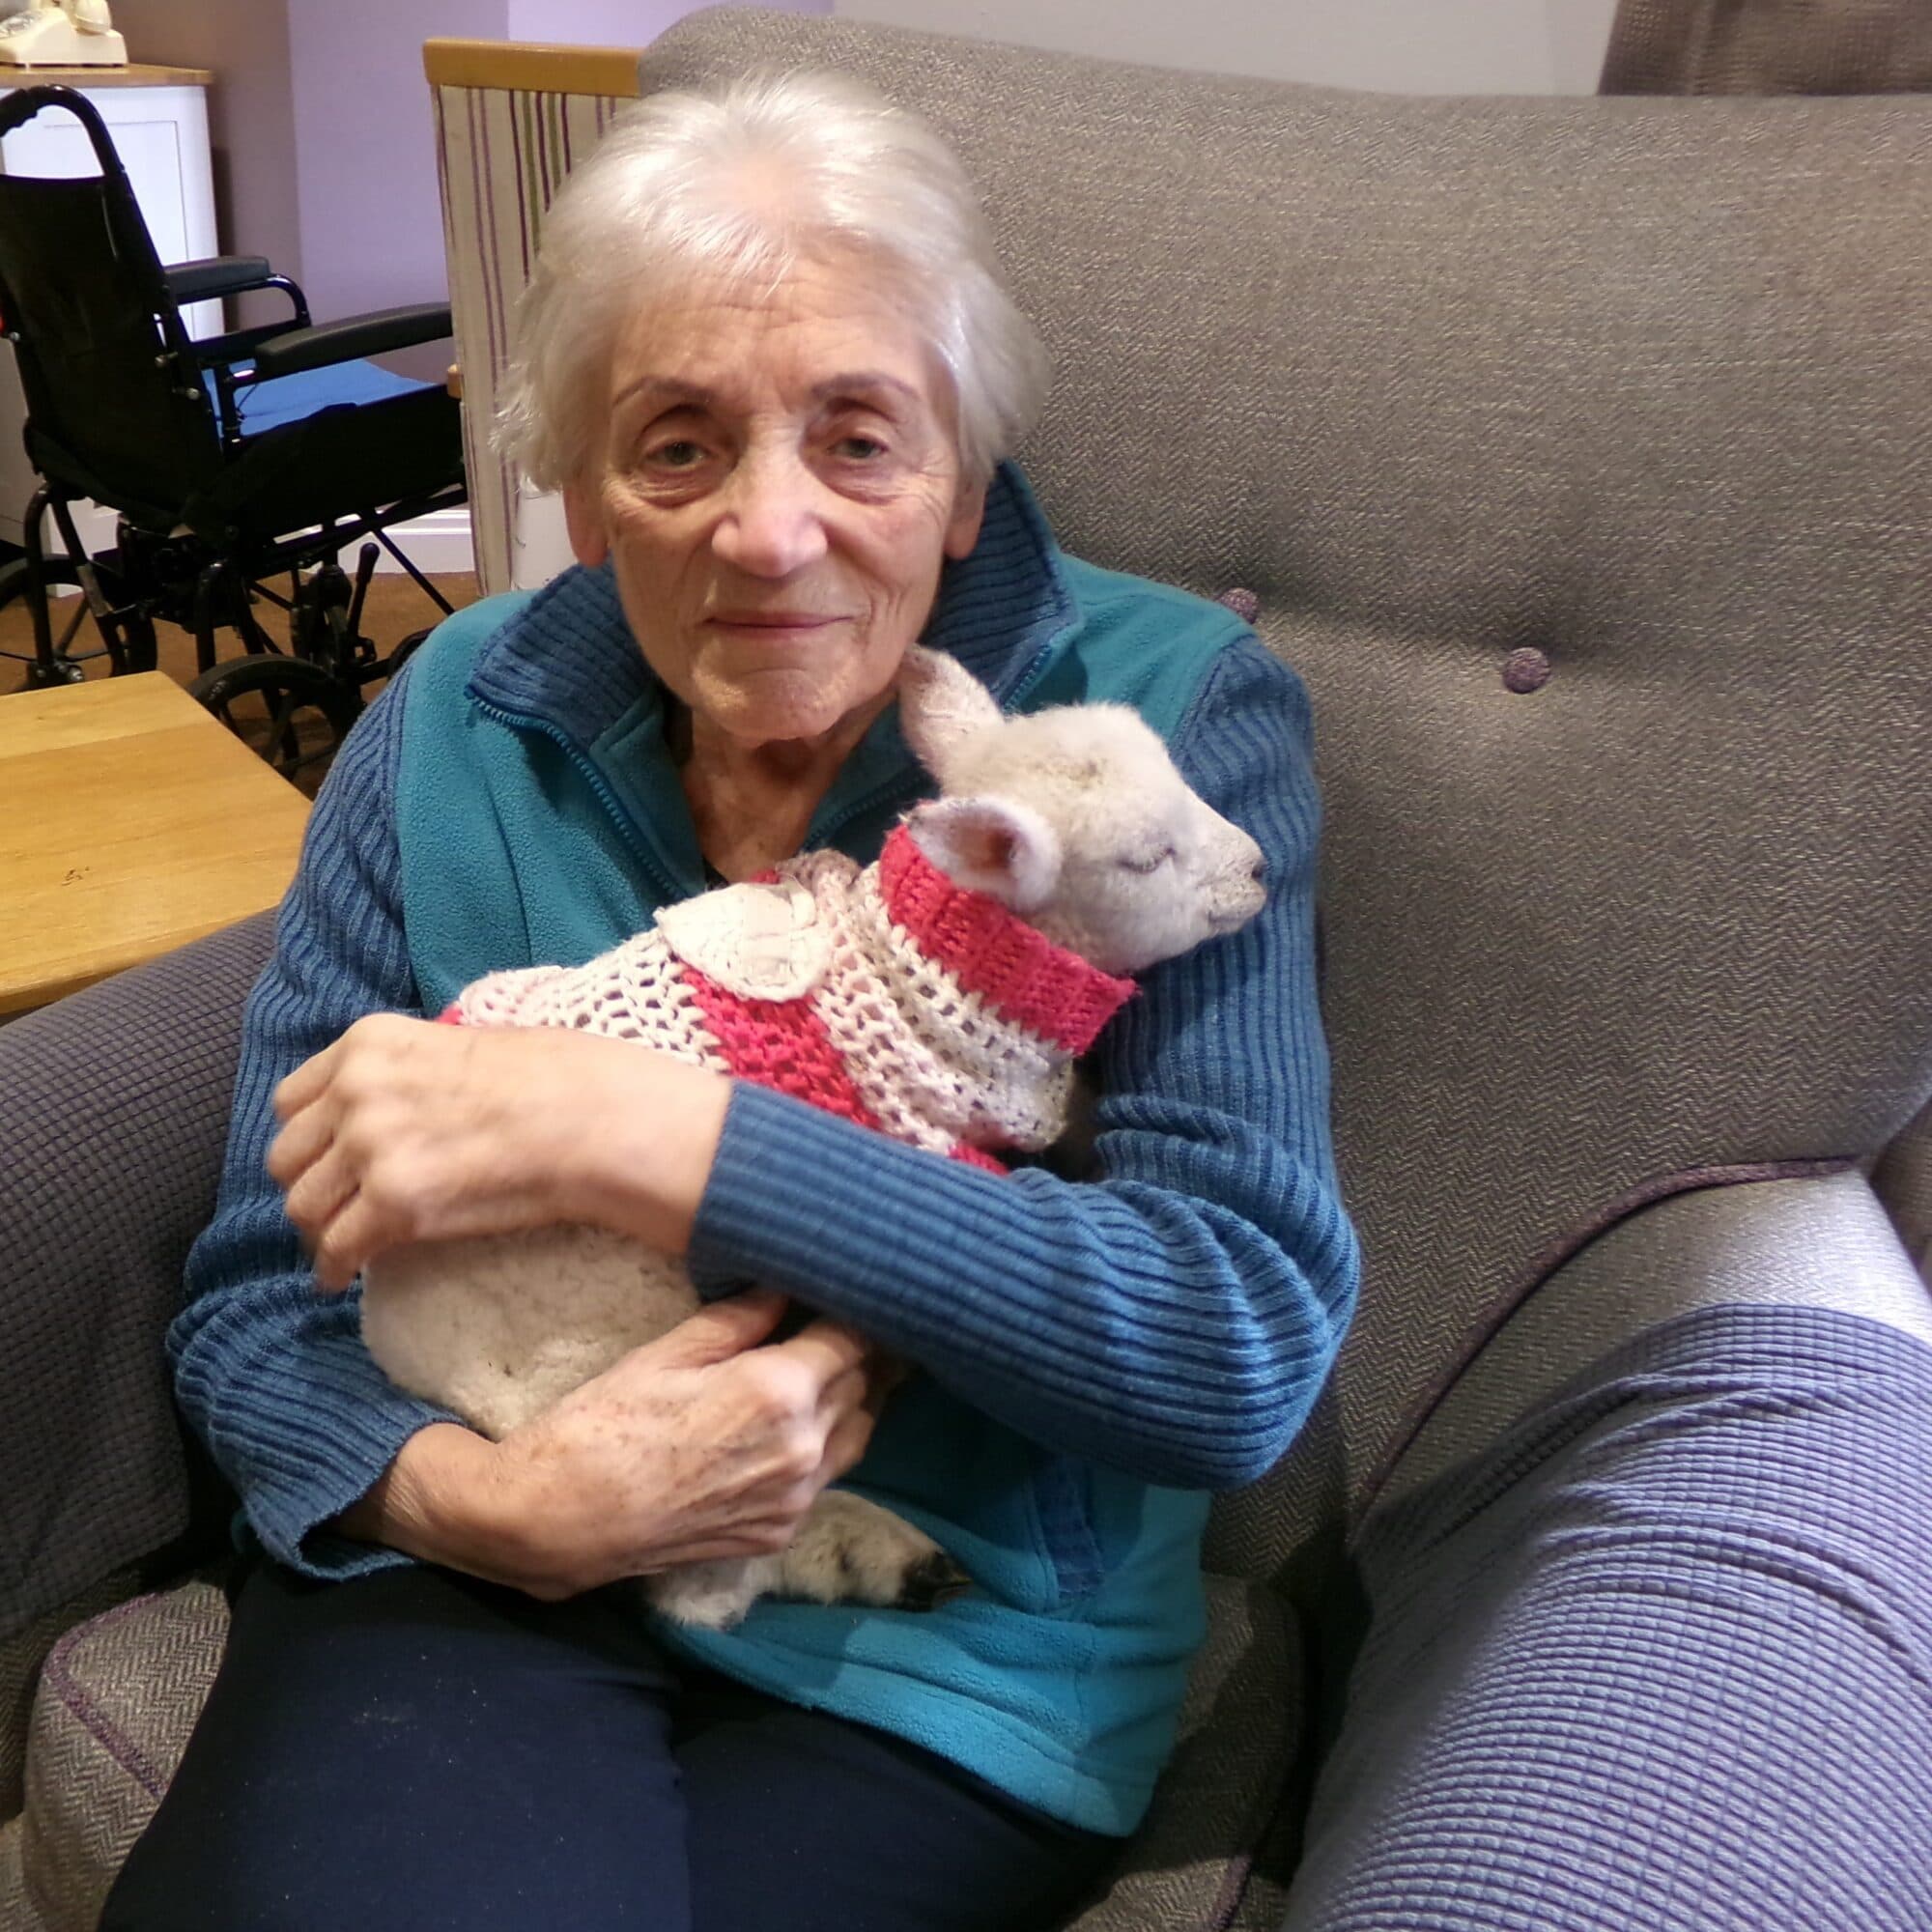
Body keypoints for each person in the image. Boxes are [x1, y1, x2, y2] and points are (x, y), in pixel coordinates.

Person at [104, 71, 1359, 1932]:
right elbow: (251, 1300)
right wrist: (482, 1507)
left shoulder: (1153, 732)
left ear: (963, 471)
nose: (770, 536)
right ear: (587, 498)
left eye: (859, 437)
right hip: (482, 1569)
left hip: (945, 1639)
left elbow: (1235, 1337)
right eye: (677, 445)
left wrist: (658, 1137)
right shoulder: (454, 719)